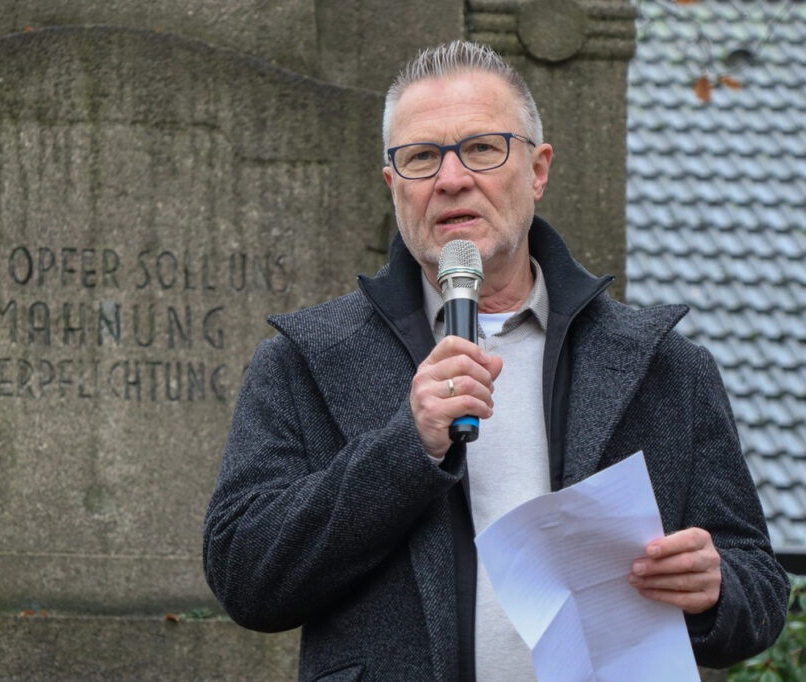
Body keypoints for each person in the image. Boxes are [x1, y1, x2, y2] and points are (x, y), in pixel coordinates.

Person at [202, 40, 787, 681]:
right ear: (394, 186)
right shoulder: (306, 360)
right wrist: (405, 449)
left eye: (482, 148)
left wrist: (714, 588)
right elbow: (245, 577)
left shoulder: (664, 367)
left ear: (537, 170)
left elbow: (759, 592)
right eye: (421, 157)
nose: (451, 178)